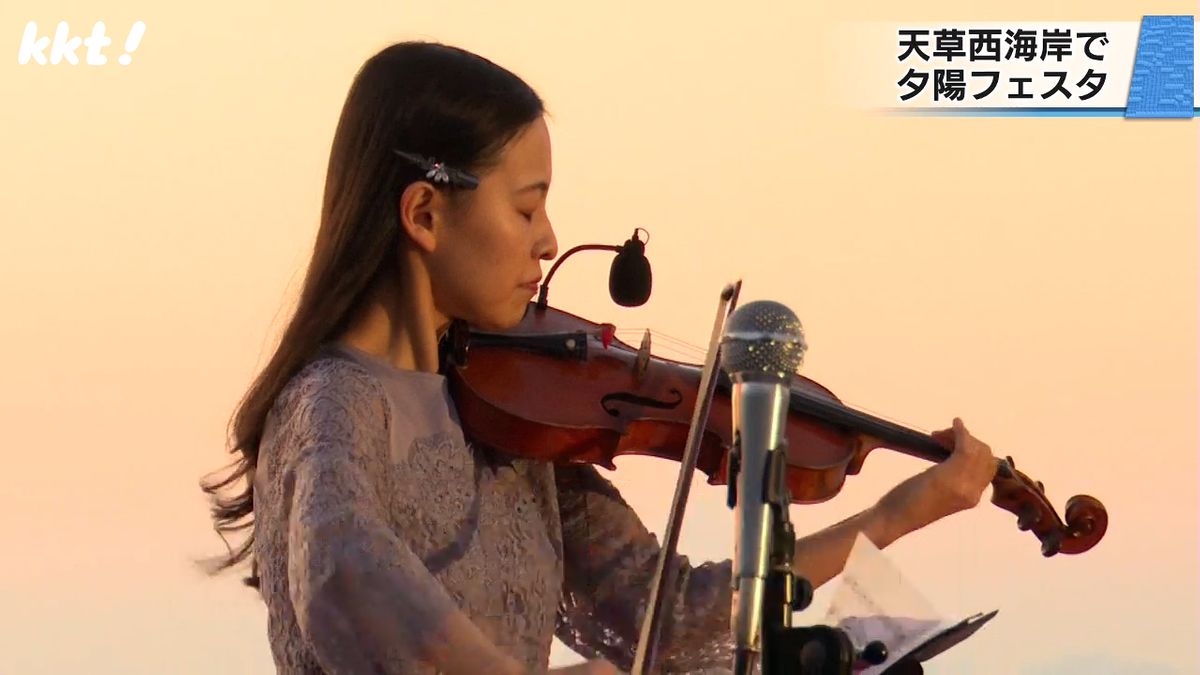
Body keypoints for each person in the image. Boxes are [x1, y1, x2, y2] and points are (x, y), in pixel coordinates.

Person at [200, 41, 998, 675]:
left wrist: (901, 512)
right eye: (526, 207)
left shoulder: (508, 415)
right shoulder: (332, 402)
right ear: (424, 213)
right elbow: (343, 569)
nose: (548, 241)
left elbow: (667, 615)